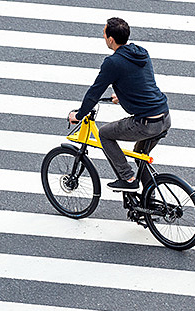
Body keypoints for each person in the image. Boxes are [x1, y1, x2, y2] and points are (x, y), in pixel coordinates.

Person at [69, 17, 170, 191]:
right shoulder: (141, 52)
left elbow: (94, 92)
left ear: (111, 39)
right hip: (164, 117)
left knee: (105, 134)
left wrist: (78, 115)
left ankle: (128, 178)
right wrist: (122, 96)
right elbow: (142, 82)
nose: (103, 36)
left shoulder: (112, 63)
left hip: (145, 123)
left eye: (104, 33)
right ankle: (149, 201)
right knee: (140, 156)